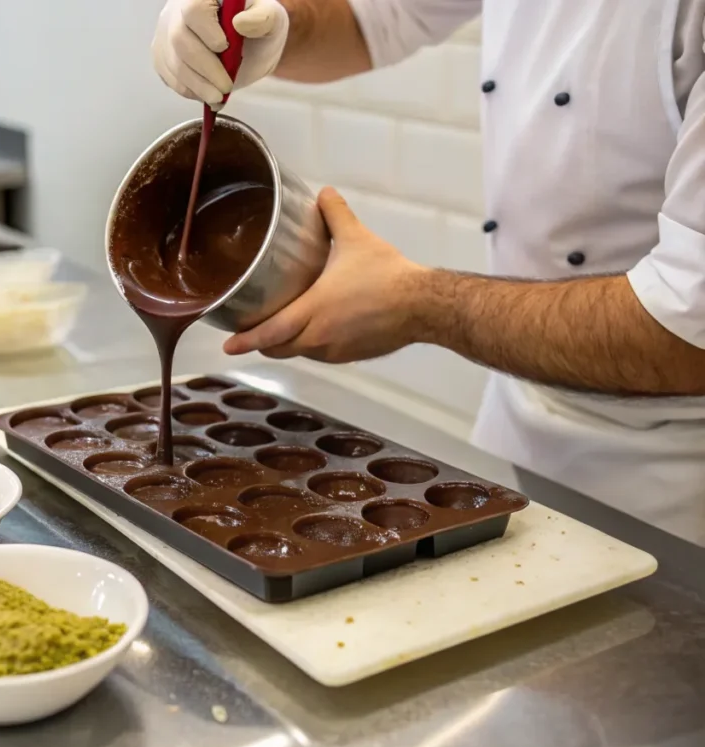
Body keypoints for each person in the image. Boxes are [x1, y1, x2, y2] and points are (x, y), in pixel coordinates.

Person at [152, 0, 705, 532]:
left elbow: (685, 334)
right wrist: (275, 27)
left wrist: (421, 305)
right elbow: (383, 16)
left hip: (672, 477)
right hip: (518, 415)